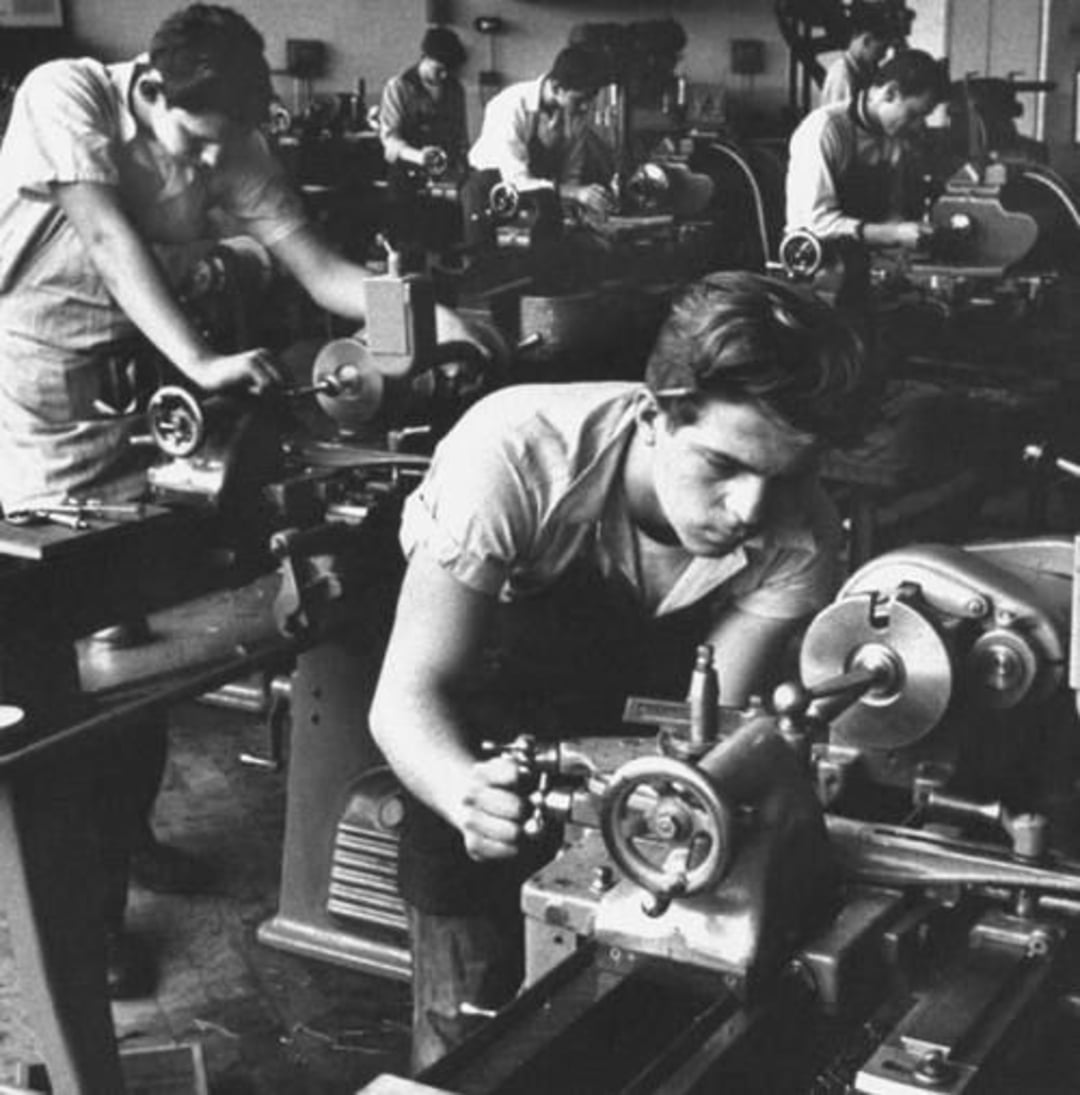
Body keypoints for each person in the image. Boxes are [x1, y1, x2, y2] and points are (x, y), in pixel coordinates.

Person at [0, 3, 471, 999]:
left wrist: (429, 316)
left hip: (141, 393)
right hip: (29, 398)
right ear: (158, 93)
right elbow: (104, 232)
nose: (215, 169)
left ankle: (125, 843)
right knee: (51, 664)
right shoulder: (66, 94)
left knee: (127, 654)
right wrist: (206, 358)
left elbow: (318, 267)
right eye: (200, 146)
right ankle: (84, 928)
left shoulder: (237, 139)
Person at [368, 270, 872, 1071]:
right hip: (479, 754)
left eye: (788, 474)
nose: (749, 508)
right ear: (655, 415)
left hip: (641, 784)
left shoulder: (797, 533)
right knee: (470, 1039)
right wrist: (461, 788)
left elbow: (705, 741)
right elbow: (405, 696)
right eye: (723, 465)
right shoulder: (512, 455)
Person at [786, 49, 949, 255]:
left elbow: (893, 210)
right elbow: (818, 223)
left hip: (868, 255)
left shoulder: (893, 136)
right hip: (816, 258)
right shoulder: (824, 129)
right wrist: (894, 233)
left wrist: (910, 229)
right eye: (914, 114)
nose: (917, 126)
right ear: (890, 93)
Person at [462, 44, 616, 246]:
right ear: (556, 87)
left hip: (539, 194)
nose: (585, 107)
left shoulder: (575, 113)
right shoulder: (509, 105)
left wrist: (579, 205)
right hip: (492, 191)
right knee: (488, 266)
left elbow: (571, 174)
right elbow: (516, 179)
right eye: (580, 99)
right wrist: (576, 193)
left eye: (589, 99)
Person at [378, 26, 469, 258]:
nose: (444, 76)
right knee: (407, 250)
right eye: (439, 69)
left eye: (449, 71)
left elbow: (460, 135)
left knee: (445, 247)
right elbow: (390, 138)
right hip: (406, 181)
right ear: (424, 58)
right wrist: (419, 157)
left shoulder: (454, 90)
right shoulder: (398, 87)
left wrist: (461, 167)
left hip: (444, 182)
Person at [819, 6, 894, 107]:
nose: (884, 55)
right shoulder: (842, 74)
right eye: (883, 48)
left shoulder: (865, 70)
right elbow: (840, 119)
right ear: (866, 41)